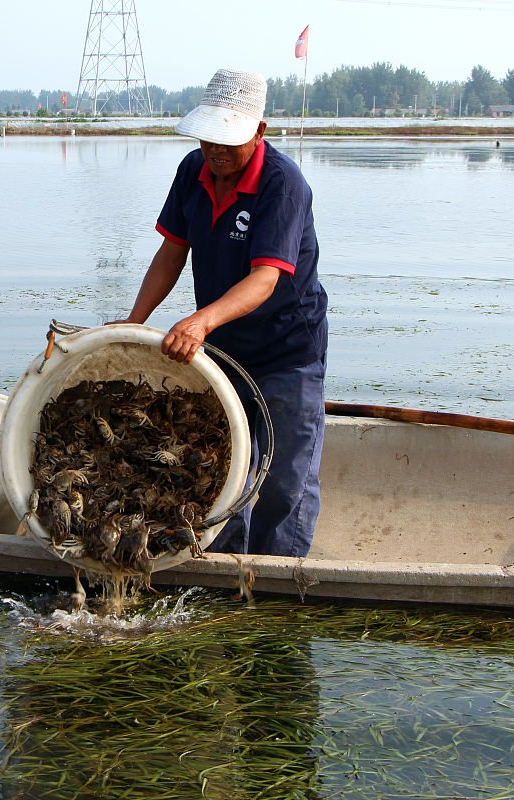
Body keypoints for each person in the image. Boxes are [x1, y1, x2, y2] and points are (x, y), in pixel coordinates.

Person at [113, 68, 328, 558]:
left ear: (259, 132)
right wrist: (135, 320)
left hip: (286, 349)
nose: (216, 151)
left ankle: (276, 577)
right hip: (225, 351)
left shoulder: (283, 185)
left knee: (284, 480)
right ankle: (224, 571)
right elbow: (172, 253)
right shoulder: (193, 171)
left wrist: (200, 320)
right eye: (209, 138)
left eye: (228, 140)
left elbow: (264, 279)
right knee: (221, 468)